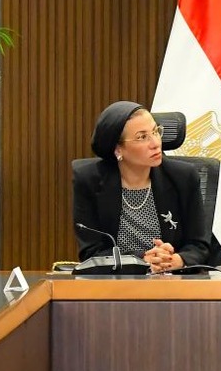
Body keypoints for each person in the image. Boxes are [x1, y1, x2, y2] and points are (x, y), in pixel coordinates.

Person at [70, 102, 212, 271]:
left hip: (172, 279)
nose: (155, 143)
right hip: (116, 280)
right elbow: (91, 253)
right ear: (118, 149)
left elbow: (199, 245)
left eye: (155, 131)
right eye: (142, 137)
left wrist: (176, 260)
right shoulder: (89, 180)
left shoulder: (183, 177)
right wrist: (142, 260)